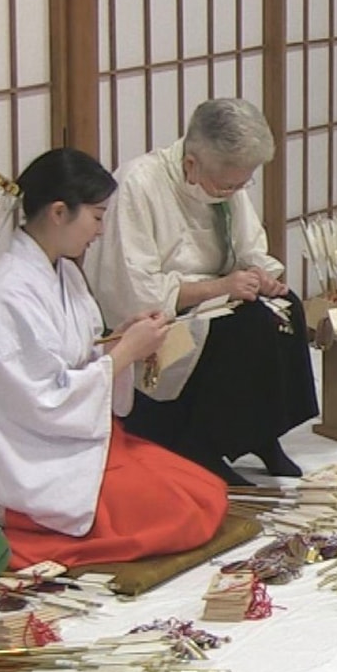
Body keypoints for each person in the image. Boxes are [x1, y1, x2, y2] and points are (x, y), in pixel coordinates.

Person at [0, 148, 227, 569]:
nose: (100, 231)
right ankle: (20, 522)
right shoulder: (9, 290)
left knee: (205, 490)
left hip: (79, 437)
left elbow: (79, 353)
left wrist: (120, 339)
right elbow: (43, 399)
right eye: (98, 217)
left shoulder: (63, 270)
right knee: (184, 512)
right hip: (38, 453)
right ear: (60, 212)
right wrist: (123, 354)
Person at [85, 99, 318, 486]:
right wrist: (219, 288)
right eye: (228, 185)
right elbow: (134, 293)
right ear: (192, 163)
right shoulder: (138, 184)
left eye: (243, 184)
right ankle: (203, 445)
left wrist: (263, 276)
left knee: (285, 308)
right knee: (247, 324)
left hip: (219, 297)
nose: (235, 191)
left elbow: (249, 246)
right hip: (166, 314)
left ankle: (263, 432)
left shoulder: (223, 181)